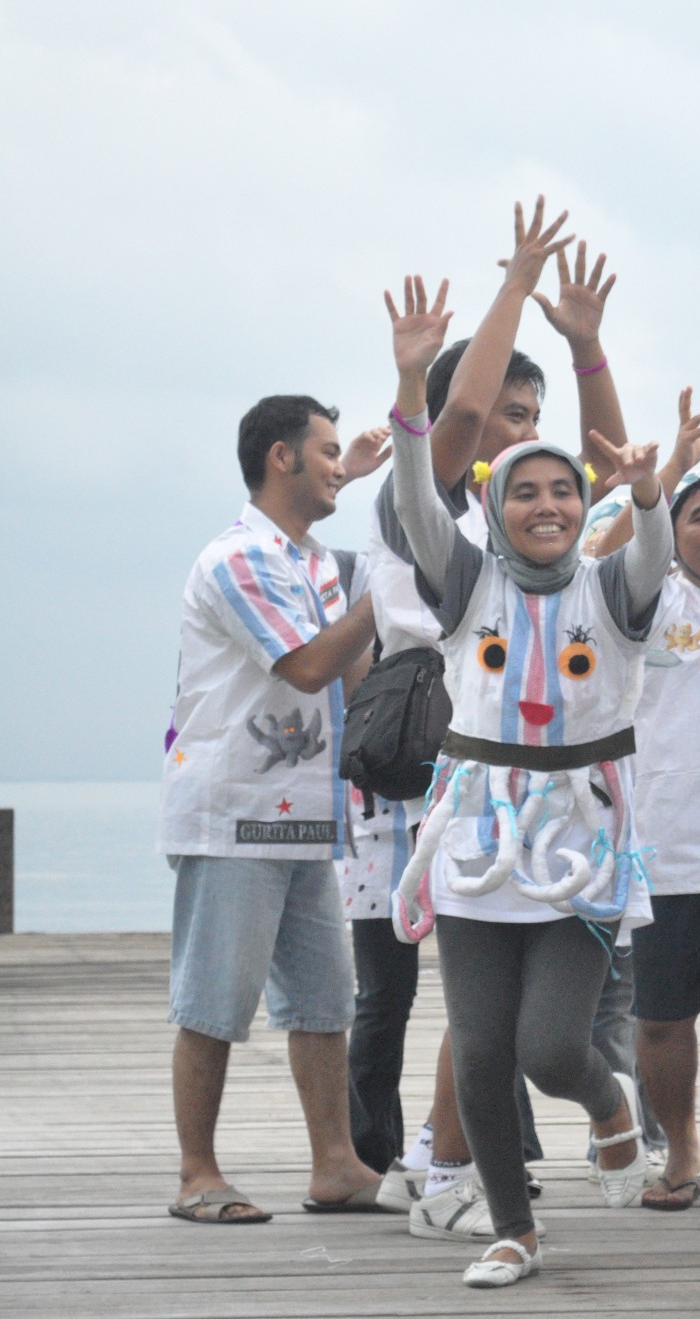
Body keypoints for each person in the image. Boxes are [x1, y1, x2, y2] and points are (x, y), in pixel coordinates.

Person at [383, 226, 681, 1286]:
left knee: (551, 1045)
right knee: (476, 1048)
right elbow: (414, 498)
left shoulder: (613, 589)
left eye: (563, 491)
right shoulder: (466, 584)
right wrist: (411, 383)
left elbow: (649, 540)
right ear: (494, 503)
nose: (547, 505)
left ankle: (608, 1106)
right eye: (525, 491)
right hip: (475, 835)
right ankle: (514, 1227)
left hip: (581, 840)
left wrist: (644, 492)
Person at [159, 394, 386, 1224]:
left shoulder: (314, 562)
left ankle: (337, 1166)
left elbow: (352, 674)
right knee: (214, 1000)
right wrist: (384, 592)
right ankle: (197, 1174)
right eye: (327, 452)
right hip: (234, 811)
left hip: (308, 812)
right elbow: (307, 666)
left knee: (325, 1001)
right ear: (280, 457)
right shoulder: (239, 557)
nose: (339, 467)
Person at [584, 453, 700, 1214]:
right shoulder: (649, 601)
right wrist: (658, 482)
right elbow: (598, 563)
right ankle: (682, 1149)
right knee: (659, 1019)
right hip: (667, 843)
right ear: (674, 531)